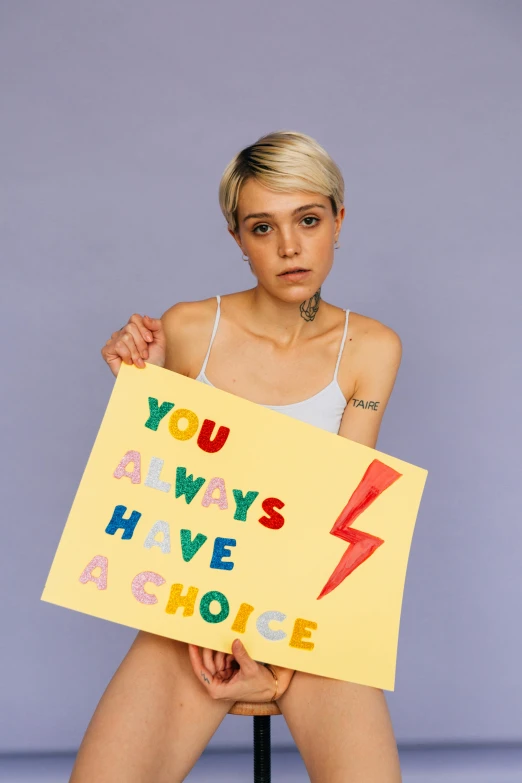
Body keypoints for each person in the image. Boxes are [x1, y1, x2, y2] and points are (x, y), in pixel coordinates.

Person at [71, 130, 403, 782]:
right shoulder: (192, 328)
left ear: (339, 220)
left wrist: (283, 654)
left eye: (308, 220)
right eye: (262, 227)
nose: (289, 247)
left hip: (307, 611)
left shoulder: (370, 348)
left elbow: (348, 505)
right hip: (192, 604)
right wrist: (141, 390)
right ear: (236, 237)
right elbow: (159, 490)